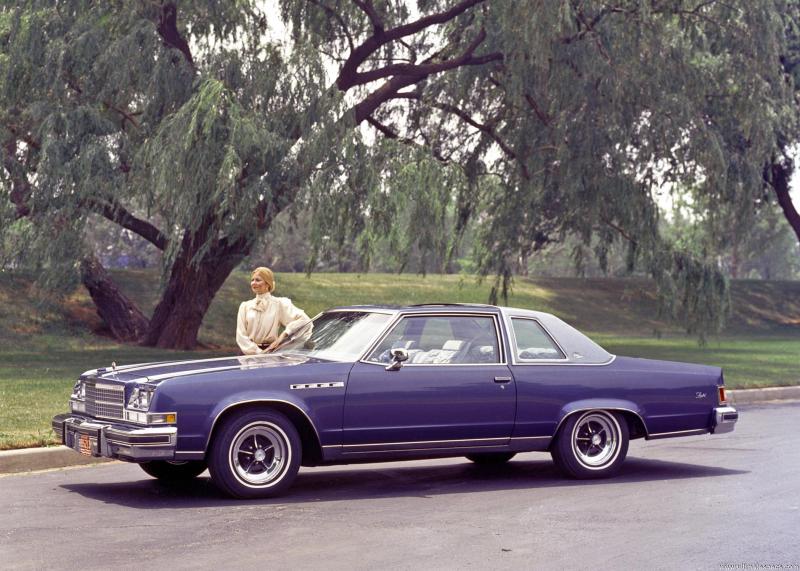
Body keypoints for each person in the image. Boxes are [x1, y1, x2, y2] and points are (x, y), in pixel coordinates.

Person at [236, 267, 311, 355]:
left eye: (258, 280)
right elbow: (241, 335)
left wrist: (283, 335)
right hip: (247, 354)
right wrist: (258, 352)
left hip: (270, 354)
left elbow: (305, 321)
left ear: (268, 283)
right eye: (252, 280)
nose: (253, 283)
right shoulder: (245, 306)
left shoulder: (279, 304)